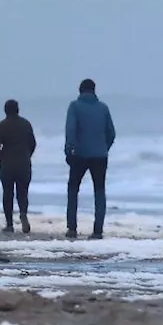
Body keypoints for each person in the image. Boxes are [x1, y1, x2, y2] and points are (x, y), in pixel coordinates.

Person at [63, 78, 116, 239]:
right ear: (94, 91)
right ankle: (98, 230)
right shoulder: (103, 108)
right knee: (99, 191)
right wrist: (103, 148)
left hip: (79, 154)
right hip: (100, 155)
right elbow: (111, 133)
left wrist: (69, 150)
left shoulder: (75, 107)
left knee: (73, 189)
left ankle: (72, 228)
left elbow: (71, 130)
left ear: (80, 90)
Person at [0, 99, 37, 233]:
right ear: (18, 110)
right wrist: (28, 155)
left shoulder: (2, 125)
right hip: (24, 163)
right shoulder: (26, 124)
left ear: (5, 111)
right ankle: (23, 213)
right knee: (23, 193)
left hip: (7, 164)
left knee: (7, 193)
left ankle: (10, 224)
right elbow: (33, 143)